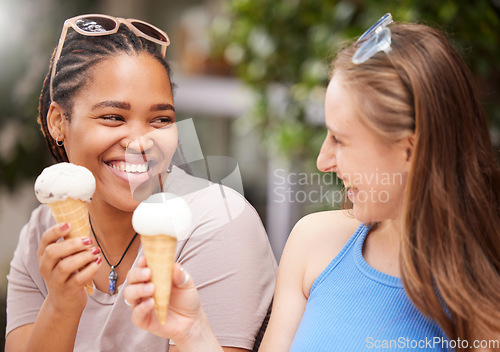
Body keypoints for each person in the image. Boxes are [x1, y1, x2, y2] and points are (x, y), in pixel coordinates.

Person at [124, 14, 500, 352]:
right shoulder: (314, 243)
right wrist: (194, 333)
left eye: (340, 139)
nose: (323, 161)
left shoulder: (487, 304)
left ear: (409, 150)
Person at [5, 14, 277, 352]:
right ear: (59, 122)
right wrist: (62, 306)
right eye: (113, 117)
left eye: (160, 119)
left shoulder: (215, 222)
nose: (140, 142)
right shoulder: (42, 234)